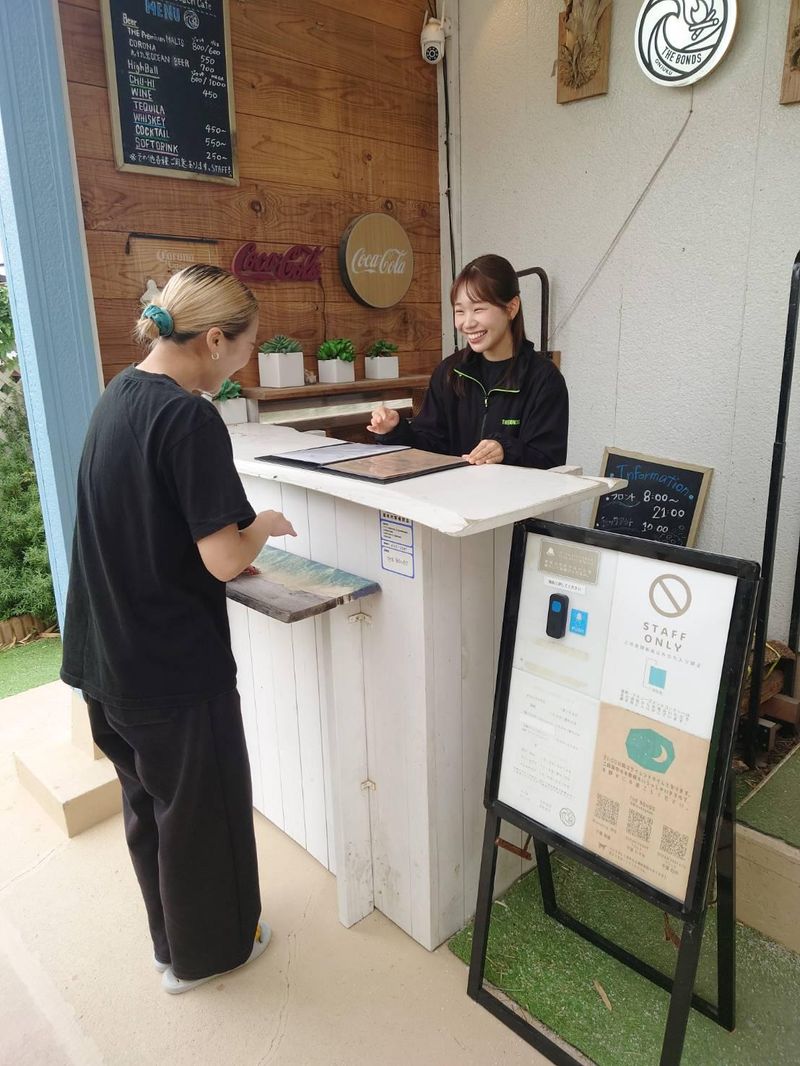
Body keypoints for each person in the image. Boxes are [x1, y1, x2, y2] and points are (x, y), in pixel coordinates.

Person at [60, 265, 296, 994]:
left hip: (105, 657)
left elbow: (149, 524)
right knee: (203, 816)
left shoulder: (119, 394)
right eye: (244, 349)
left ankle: (170, 945)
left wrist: (231, 543)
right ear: (215, 340)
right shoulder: (189, 417)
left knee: (150, 810)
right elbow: (223, 556)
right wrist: (262, 527)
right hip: (170, 668)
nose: (242, 365)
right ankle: (209, 957)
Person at [367, 254, 568, 467]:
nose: (468, 323)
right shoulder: (449, 372)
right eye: (460, 311)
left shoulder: (543, 379)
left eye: (478, 309)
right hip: (452, 489)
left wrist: (505, 450)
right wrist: (396, 431)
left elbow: (549, 461)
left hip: (512, 490)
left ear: (511, 308)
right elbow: (430, 446)